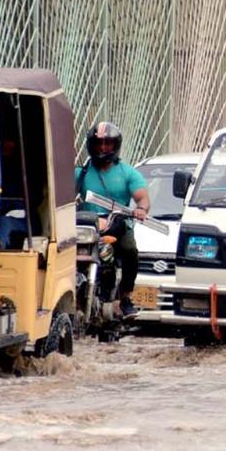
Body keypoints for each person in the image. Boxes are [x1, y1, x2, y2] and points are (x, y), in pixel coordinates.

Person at [76, 122, 150, 315]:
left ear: (115, 145)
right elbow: (62, 196)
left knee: (130, 250)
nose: (103, 148)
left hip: (117, 223)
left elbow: (142, 197)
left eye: (108, 143)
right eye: (99, 143)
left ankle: (125, 298)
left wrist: (141, 209)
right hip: (88, 226)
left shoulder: (128, 173)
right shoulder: (81, 173)